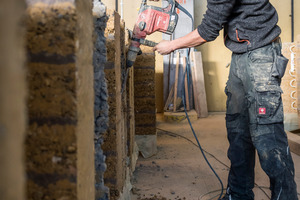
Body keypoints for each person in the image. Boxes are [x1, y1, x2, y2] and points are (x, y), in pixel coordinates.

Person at [150, 0, 298, 199]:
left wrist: (171, 45)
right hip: (240, 54)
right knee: (238, 131)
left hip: (261, 54)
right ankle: (238, 195)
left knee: (267, 136)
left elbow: (208, 31)